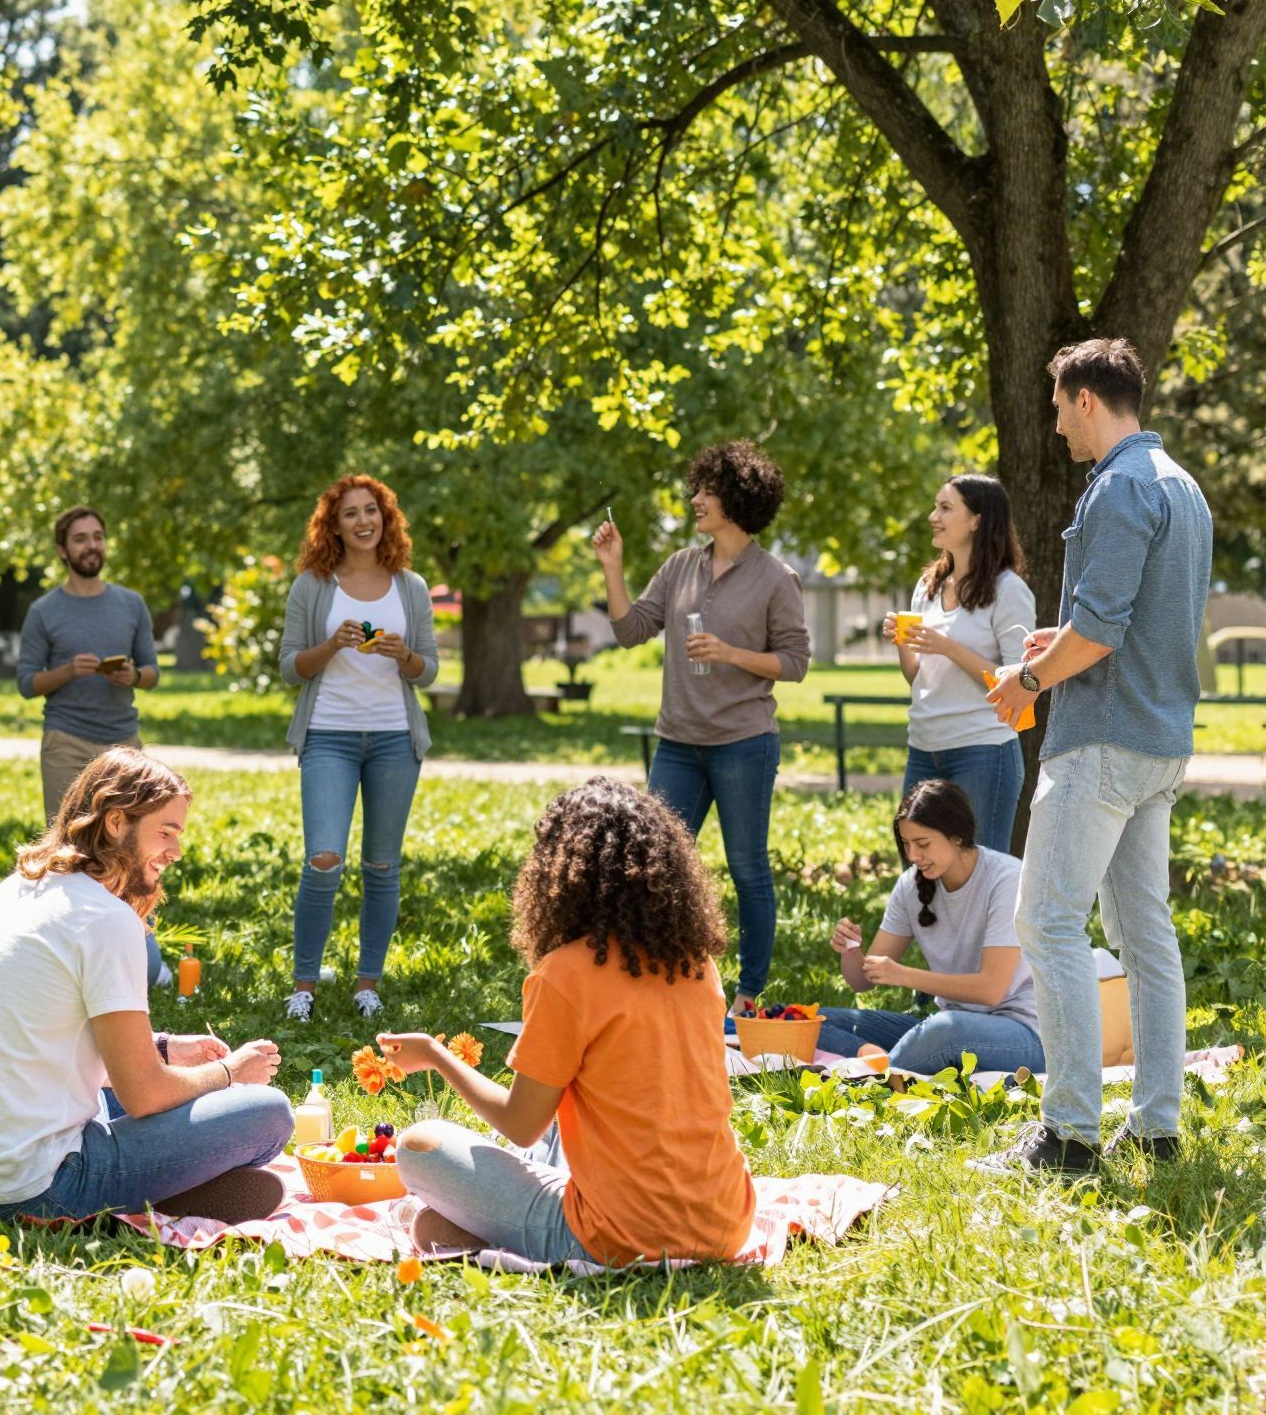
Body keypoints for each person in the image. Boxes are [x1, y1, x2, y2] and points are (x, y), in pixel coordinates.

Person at [975, 339, 1212, 1176]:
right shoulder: (1182, 487)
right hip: (1160, 741)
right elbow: (1132, 622)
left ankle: (1069, 1134)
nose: (1053, 424)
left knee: (1045, 921)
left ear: (1085, 399)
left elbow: (1105, 631)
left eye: (1056, 405)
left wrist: (1031, 677)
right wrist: (1060, 641)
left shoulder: (1118, 487)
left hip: (1103, 742)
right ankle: (1156, 1123)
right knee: (1146, 937)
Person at [378, 779, 755, 1267]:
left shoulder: (565, 974)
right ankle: (482, 1225)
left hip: (621, 1238)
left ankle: (491, 1227)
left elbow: (521, 1125)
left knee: (418, 1145)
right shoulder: (696, 963)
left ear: (560, 875)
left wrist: (435, 1056)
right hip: (725, 1223)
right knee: (562, 1121)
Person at [0, 748, 293, 1219]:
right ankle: (147, 1196)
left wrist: (162, 1049)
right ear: (116, 822)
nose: (176, 852)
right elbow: (144, 1096)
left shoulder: (14, 889)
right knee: (267, 1111)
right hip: (38, 1187)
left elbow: (47, 1039)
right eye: (167, 831)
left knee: (169, 1089)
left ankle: (160, 1186)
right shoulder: (104, 918)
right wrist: (230, 1074)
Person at [592, 440, 810, 1018]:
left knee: (746, 867)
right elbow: (631, 629)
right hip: (679, 744)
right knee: (653, 865)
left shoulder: (774, 578)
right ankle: (659, 977)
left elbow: (794, 662)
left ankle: (748, 993)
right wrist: (613, 569)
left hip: (743, 743)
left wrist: (732, 653)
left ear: (736, 499)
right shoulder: (681, 567)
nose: (695, 500)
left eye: (705, 492)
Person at [276, 473, 440, 1021]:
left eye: (372, 510)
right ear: (334, 525)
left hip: (395, 739)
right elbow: (289, 668)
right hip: (328, 737)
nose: (364, 521)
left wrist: (402, 655)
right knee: (324, 858)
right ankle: (304, 986)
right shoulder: (312, 585)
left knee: (381, 865)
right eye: (351, 513)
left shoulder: (410, 587)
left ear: (385, 517)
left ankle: (367, 982)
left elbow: (430, 671)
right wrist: (332, 644)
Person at [817, 780, 1041, 1074]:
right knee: (819, 1020)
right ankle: (880, 1063)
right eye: (906, 844)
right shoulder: (911, 885)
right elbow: (863, 981)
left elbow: (991, 990)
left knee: (943, 1030)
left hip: (1024, 1034)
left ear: (957, 835)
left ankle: (874, 1081)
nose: (912, 856)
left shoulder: (1007, 880)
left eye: (922, 844)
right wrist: (850, 950)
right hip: (951, 1026)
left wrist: (904, 976)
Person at [885, 475, 1036, 854]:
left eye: (945, 508)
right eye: (936, 506)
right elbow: (917, 677)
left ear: (977, 520)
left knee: (978, 872)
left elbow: (1019, 681)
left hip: (982, 751)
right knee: (918, 866)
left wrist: (948, 647)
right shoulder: (929, 585)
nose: (932, 515)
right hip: (923, 746)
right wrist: (904, 644)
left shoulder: (1009, 591)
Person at [17, 506, 158, 822]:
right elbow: (26, 683)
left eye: (97, 537)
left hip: (124, 744)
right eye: (80, 539)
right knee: (66, 843)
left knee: (125, 841)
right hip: (66, 742)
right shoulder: (43, 611)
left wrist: (133, 675)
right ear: (62, 550)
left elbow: (153, 673)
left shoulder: (132, 604)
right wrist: (67, 672)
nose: (92, 545)